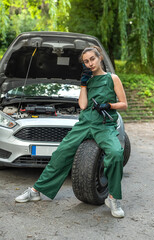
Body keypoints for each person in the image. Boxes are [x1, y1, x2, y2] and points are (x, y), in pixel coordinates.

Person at [15, 45, 128, 218]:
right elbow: (82, 105)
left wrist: (110, 105)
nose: (90, 63)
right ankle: (36, 191)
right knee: (61, 153)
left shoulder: (112, 78)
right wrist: (83, 85)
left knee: (116, 153)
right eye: (86, 61)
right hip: (85, 123)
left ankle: (113, 198)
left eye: (92, 59)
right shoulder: (87, 80)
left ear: (100, 58)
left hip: (104, 124)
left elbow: (124, 104)